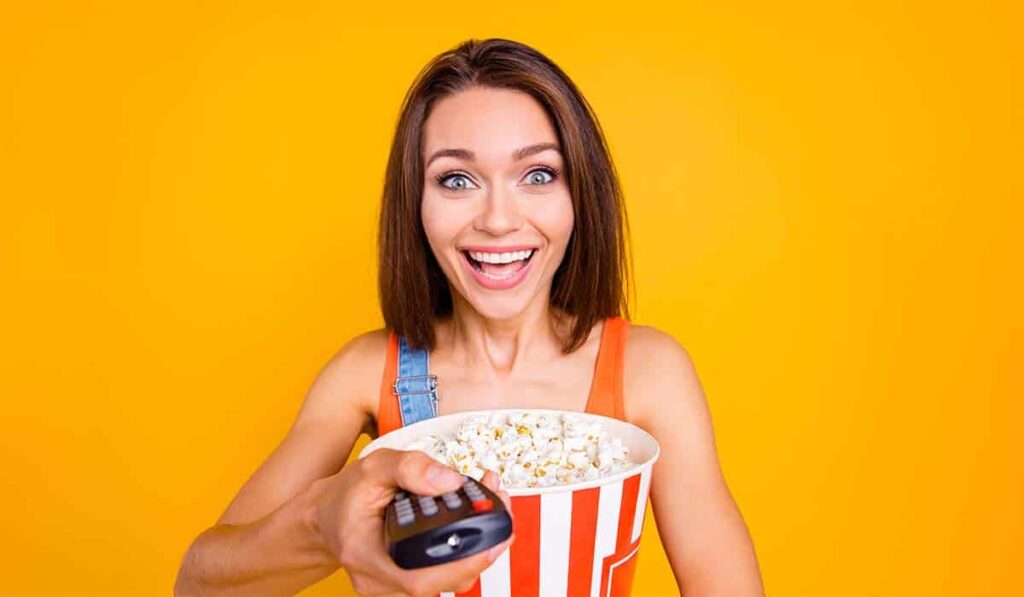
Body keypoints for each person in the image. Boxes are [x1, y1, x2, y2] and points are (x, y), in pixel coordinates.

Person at [176, 38, 764, 596]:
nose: (499, 220)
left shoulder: (648, 371)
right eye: (456, 180)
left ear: (580, 194)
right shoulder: (364, 375)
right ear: (416, 203)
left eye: (538, 175)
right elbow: (199, 583)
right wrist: (320, 523)